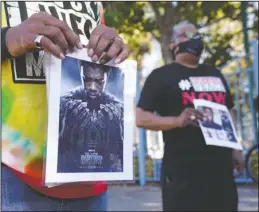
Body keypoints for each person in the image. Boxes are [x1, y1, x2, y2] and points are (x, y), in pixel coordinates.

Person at [1, 1, 130, 211]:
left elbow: (96, 56)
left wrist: (112, 46)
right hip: (13, 170)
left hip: (89, 176)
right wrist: (6, 39)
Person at [136, 20, 244, 211]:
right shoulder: (161, 76)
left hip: (221, 171)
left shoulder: (215, 73)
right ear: (173, 44)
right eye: (188, 35)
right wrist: (176, 121)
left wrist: (236, 149)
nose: (196, 40)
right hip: (182, 173)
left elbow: (228, 110)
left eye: (198, 36)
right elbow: (140, 117)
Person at [58, 62, 123, 173]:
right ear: (81, 75)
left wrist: (116, 129)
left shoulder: (118, 108)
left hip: (103, 178)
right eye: (87, 80)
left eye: (99, 81)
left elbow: (122, 158)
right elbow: (53, 155)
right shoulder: (64, 103)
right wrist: (67, 128)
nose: (92, 87)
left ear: (106, 78)